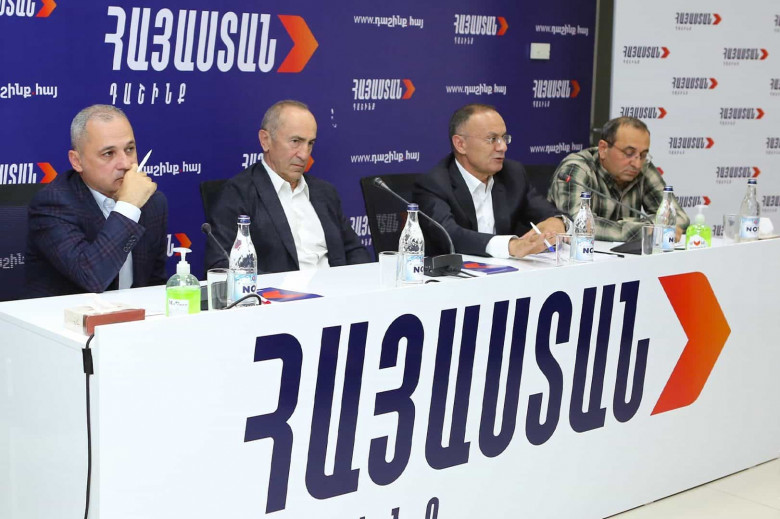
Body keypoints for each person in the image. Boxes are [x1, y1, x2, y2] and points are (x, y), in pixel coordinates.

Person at [205, 100, 370, 273]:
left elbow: (355, 250)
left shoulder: (325, 192)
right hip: (278, 290)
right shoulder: (237, 194)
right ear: (265, 140)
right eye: (295, 141)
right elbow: (222, 264)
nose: (304, 155)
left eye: (310, 143)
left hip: (335, 287)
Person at [26, 105, 168, 298]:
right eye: (108, 153)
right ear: (77, 161)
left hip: (135, 314)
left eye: (129, 149)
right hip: (69, 315)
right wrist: (128, 206)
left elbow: (154, 286)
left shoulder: (152, 202)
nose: (126, 164)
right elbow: (92, 278)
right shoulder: (52, 204)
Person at [414, 104, 565, 258]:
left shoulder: (513, 174)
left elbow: (548, 214)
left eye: (504, 138)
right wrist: (511, 246)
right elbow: (449, 235)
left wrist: (557, 222)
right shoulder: (434, 184)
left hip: (507, 270)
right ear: (460, 144)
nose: (503, 147)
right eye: (492, 139)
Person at [547, 116, 689, 242]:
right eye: (629, 153)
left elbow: (679, 217)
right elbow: (577, 224)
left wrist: (646, 227)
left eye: (643, 155)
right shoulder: (576, 169)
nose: (637, 164)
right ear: (603, 148)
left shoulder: (643, 167)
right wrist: (645, 230)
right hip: (576, 256)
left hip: (626, 258)